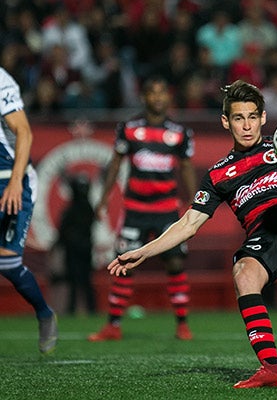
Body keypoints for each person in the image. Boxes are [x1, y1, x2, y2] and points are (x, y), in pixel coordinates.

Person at [106, 80, 277, 388]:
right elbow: (188, 224)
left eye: (252, 116)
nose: (247, 125)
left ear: (263, 117)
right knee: (242, 273)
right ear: (226, 121)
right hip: (265, 237)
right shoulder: (217, 174)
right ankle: (272, 369)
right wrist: (143, 252)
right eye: (239, 118)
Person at [88, 76, 197, 342]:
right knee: (125, 265)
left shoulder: (180, 133)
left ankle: (182, 324)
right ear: (144, 97)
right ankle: (113, 325)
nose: (158, 97)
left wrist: (196, 201)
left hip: (167, 210)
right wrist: (103, 198)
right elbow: (115, 164)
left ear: (168, 98)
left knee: (174, 263)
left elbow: (185, 168)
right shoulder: (128, 128)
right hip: (135, 209)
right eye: (152, 92)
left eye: (162, 92)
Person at [0, 67, 58, 354]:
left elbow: (24, 131)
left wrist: (14, 183)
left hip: (11, 178)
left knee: (7, 264)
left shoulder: (0, 80)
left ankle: (45, 313)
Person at [57, 174, 96, 315]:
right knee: (83, 280)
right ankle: (89, 308)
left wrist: (61, 243)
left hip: (76, 247)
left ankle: (75, 308)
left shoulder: (74, 210)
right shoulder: (87, 208)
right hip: (83, 247)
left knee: (78, 280)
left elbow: (63, 231)